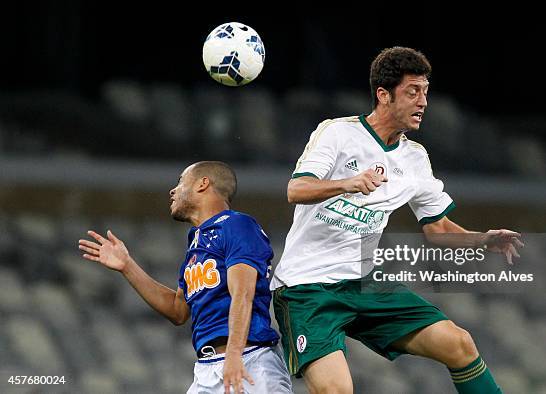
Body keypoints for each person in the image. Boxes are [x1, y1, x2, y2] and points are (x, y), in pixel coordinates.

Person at [271, 47, 523, 394]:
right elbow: (296, 189)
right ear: (383, 95)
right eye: (412, 92)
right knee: (336, 391)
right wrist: (347, 183)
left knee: (459, 344)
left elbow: (439, 229)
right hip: (307, 288)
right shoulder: (337, 133)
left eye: (425, 92)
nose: (423, 102)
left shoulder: (415, 159)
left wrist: (483, 239)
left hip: (363, 283)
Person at [78, 161, 292, 394]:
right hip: (206, 368)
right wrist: (127, 266)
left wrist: (233, 354)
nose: (173, 190)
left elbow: (243, 292)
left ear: (203, 183)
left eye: (181, 181)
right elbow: (177, 310)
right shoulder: (196, 243)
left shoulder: (237, 225)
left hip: (249, 360)